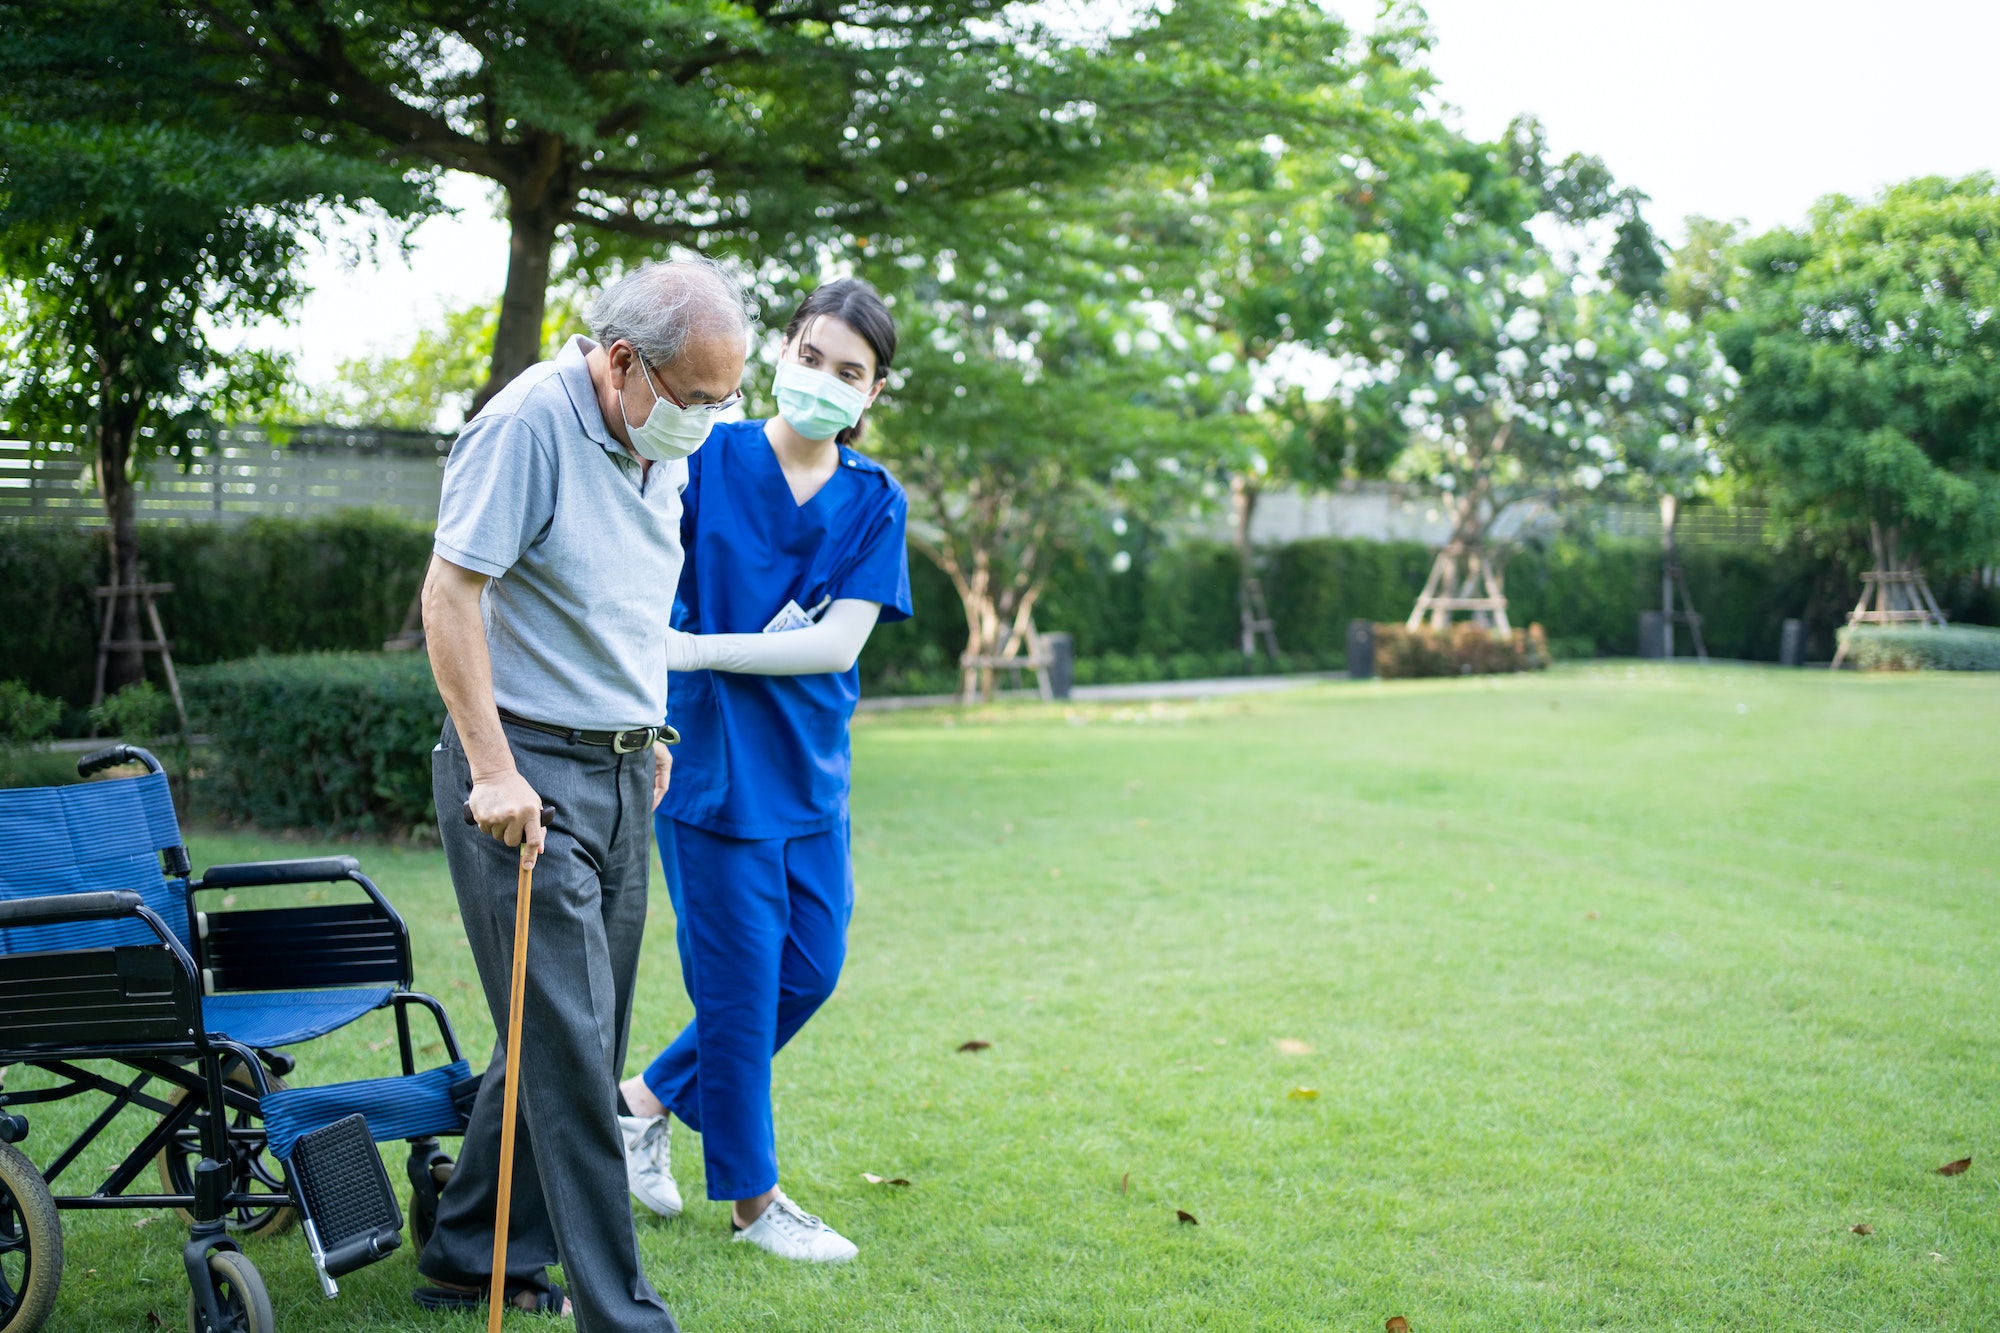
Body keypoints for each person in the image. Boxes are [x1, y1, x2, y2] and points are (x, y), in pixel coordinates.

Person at [416, 258, 747, 1329]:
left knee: (575, 1041)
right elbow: (450, 593)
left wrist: (644, 723)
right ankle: (623, 1313)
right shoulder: (526, 426)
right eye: (696, 399)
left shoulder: (659, 439)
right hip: (527, 779)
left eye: (724, 400)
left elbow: (627, 600)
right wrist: (494, 769)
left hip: (618, 768)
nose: (708, 421)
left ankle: (470, 1250)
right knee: (569, 1056)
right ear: (620, 363)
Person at [613, 279, 912, 1264]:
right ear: (782, 353)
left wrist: (696, 650)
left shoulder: (874, 501)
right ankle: (754, 1203)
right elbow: (638, 577)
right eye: (812, 357)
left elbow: (835, 647)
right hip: (711, 771)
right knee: (741, 991)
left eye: (850, 372)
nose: (824, 380)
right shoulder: (707, 460)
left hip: (811, 774)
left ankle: (640, 1102)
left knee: (809, 971)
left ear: (872, 395)